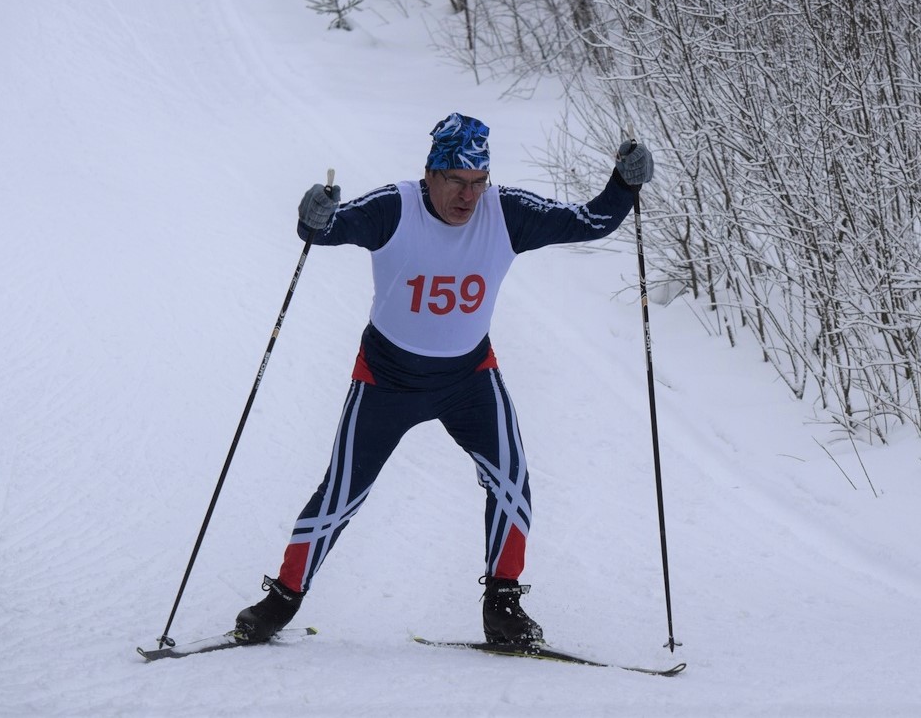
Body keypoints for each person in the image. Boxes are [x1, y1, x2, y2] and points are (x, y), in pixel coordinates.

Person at [235, 112, 654, 646]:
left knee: (512, 483)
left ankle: (502, 607)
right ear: (430, 173)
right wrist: (314, 213)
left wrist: (624, 183)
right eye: (456, 180)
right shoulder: (395, 207)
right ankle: (281, 601)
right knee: (342, 493)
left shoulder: (505, 213)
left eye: (478, 182)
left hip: (468, 379)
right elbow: (322, 229)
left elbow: (592, 221)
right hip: (386, 379)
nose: (468, 195)